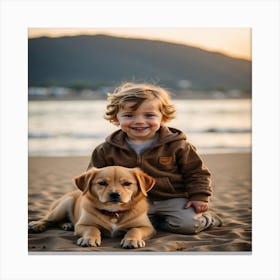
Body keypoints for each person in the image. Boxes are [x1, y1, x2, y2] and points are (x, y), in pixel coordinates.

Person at [88, 82, 223, 234]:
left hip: (173, 198)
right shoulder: (106, 149)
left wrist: (200, 196)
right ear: (116, 119)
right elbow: (93, 179)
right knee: (120, 228)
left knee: (188, 225)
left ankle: (210, 219)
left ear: (164, 118)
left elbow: (196, 173)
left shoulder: (178, 146)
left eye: (149, 115)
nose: (139, 121)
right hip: (131, 202)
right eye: (129, 115)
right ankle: (154, 222)